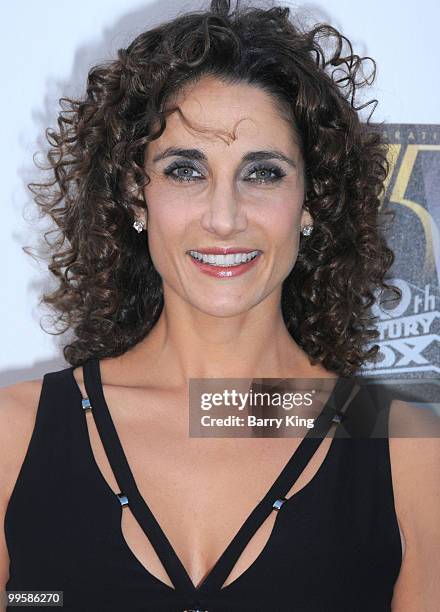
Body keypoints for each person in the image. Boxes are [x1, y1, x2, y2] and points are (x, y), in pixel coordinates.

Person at [1, 0, 439, 610]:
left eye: (262, 173)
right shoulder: (13, 437)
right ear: (135, 194)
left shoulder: (410, 455)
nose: (224, 218)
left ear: (311, 199)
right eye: (185, 170)